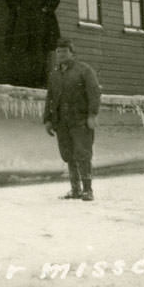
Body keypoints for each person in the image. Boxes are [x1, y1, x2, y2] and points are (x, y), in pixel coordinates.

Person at [43, 39, 100, 201]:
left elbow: (94, 93)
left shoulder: (84, 70)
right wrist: (48, 120)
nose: (61, 54)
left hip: (80, 120)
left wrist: (92, 115)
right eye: (58, 52)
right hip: (61, 122)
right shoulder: (54, 74)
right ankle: (75, 189)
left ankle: (88, 190)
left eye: (65, 51)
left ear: (72, 53)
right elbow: (50, 98)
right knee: (68, 154)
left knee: (83, 153)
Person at [5, 0, 60, 87]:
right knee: (20, 49)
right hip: (22, 21)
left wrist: (45, 9)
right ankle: (20, 81)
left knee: (39, 51)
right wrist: (17, 8)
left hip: (41, 21)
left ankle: (38, 82)